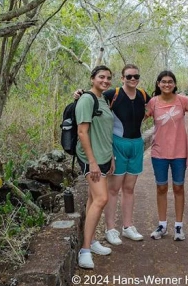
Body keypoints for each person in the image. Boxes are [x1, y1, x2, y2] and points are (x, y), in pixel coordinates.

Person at [102, 64, 151, 246]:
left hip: (137, 144)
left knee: (129, 188)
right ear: (122, 78)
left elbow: (165, 102)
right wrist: (78, 94)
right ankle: (110, 229)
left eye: (135, 76)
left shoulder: (143, 95)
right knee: (113, 189)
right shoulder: (112, 94)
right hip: (118, 144)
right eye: (129, 76)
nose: (132, 79)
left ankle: (128, 227)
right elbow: (91, 98)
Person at [76, 65, 115, 270]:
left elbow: (105, 130)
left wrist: (111, 157)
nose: (105, 80)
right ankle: (84, 250)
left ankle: (91, 241)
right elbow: (82, 132)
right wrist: (92, 162)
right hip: (91, 158)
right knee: (102, 199)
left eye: (108, 77)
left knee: (93, 200)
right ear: (92, 78)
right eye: (101, 77)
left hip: (104, 156)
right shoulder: (86, 99)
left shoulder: (104, 100)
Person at [146, 70, 188, 241]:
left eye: (170, 81)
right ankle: (162, 225)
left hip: (180, 152)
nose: (167, 84)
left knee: (179, 187)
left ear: (174, 84)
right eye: (163, 81)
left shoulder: (183, 101)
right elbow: (135, 116)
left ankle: (179, 227)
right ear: (158, 84)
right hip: (159, 152)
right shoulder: (153, 102)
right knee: (161, 188)